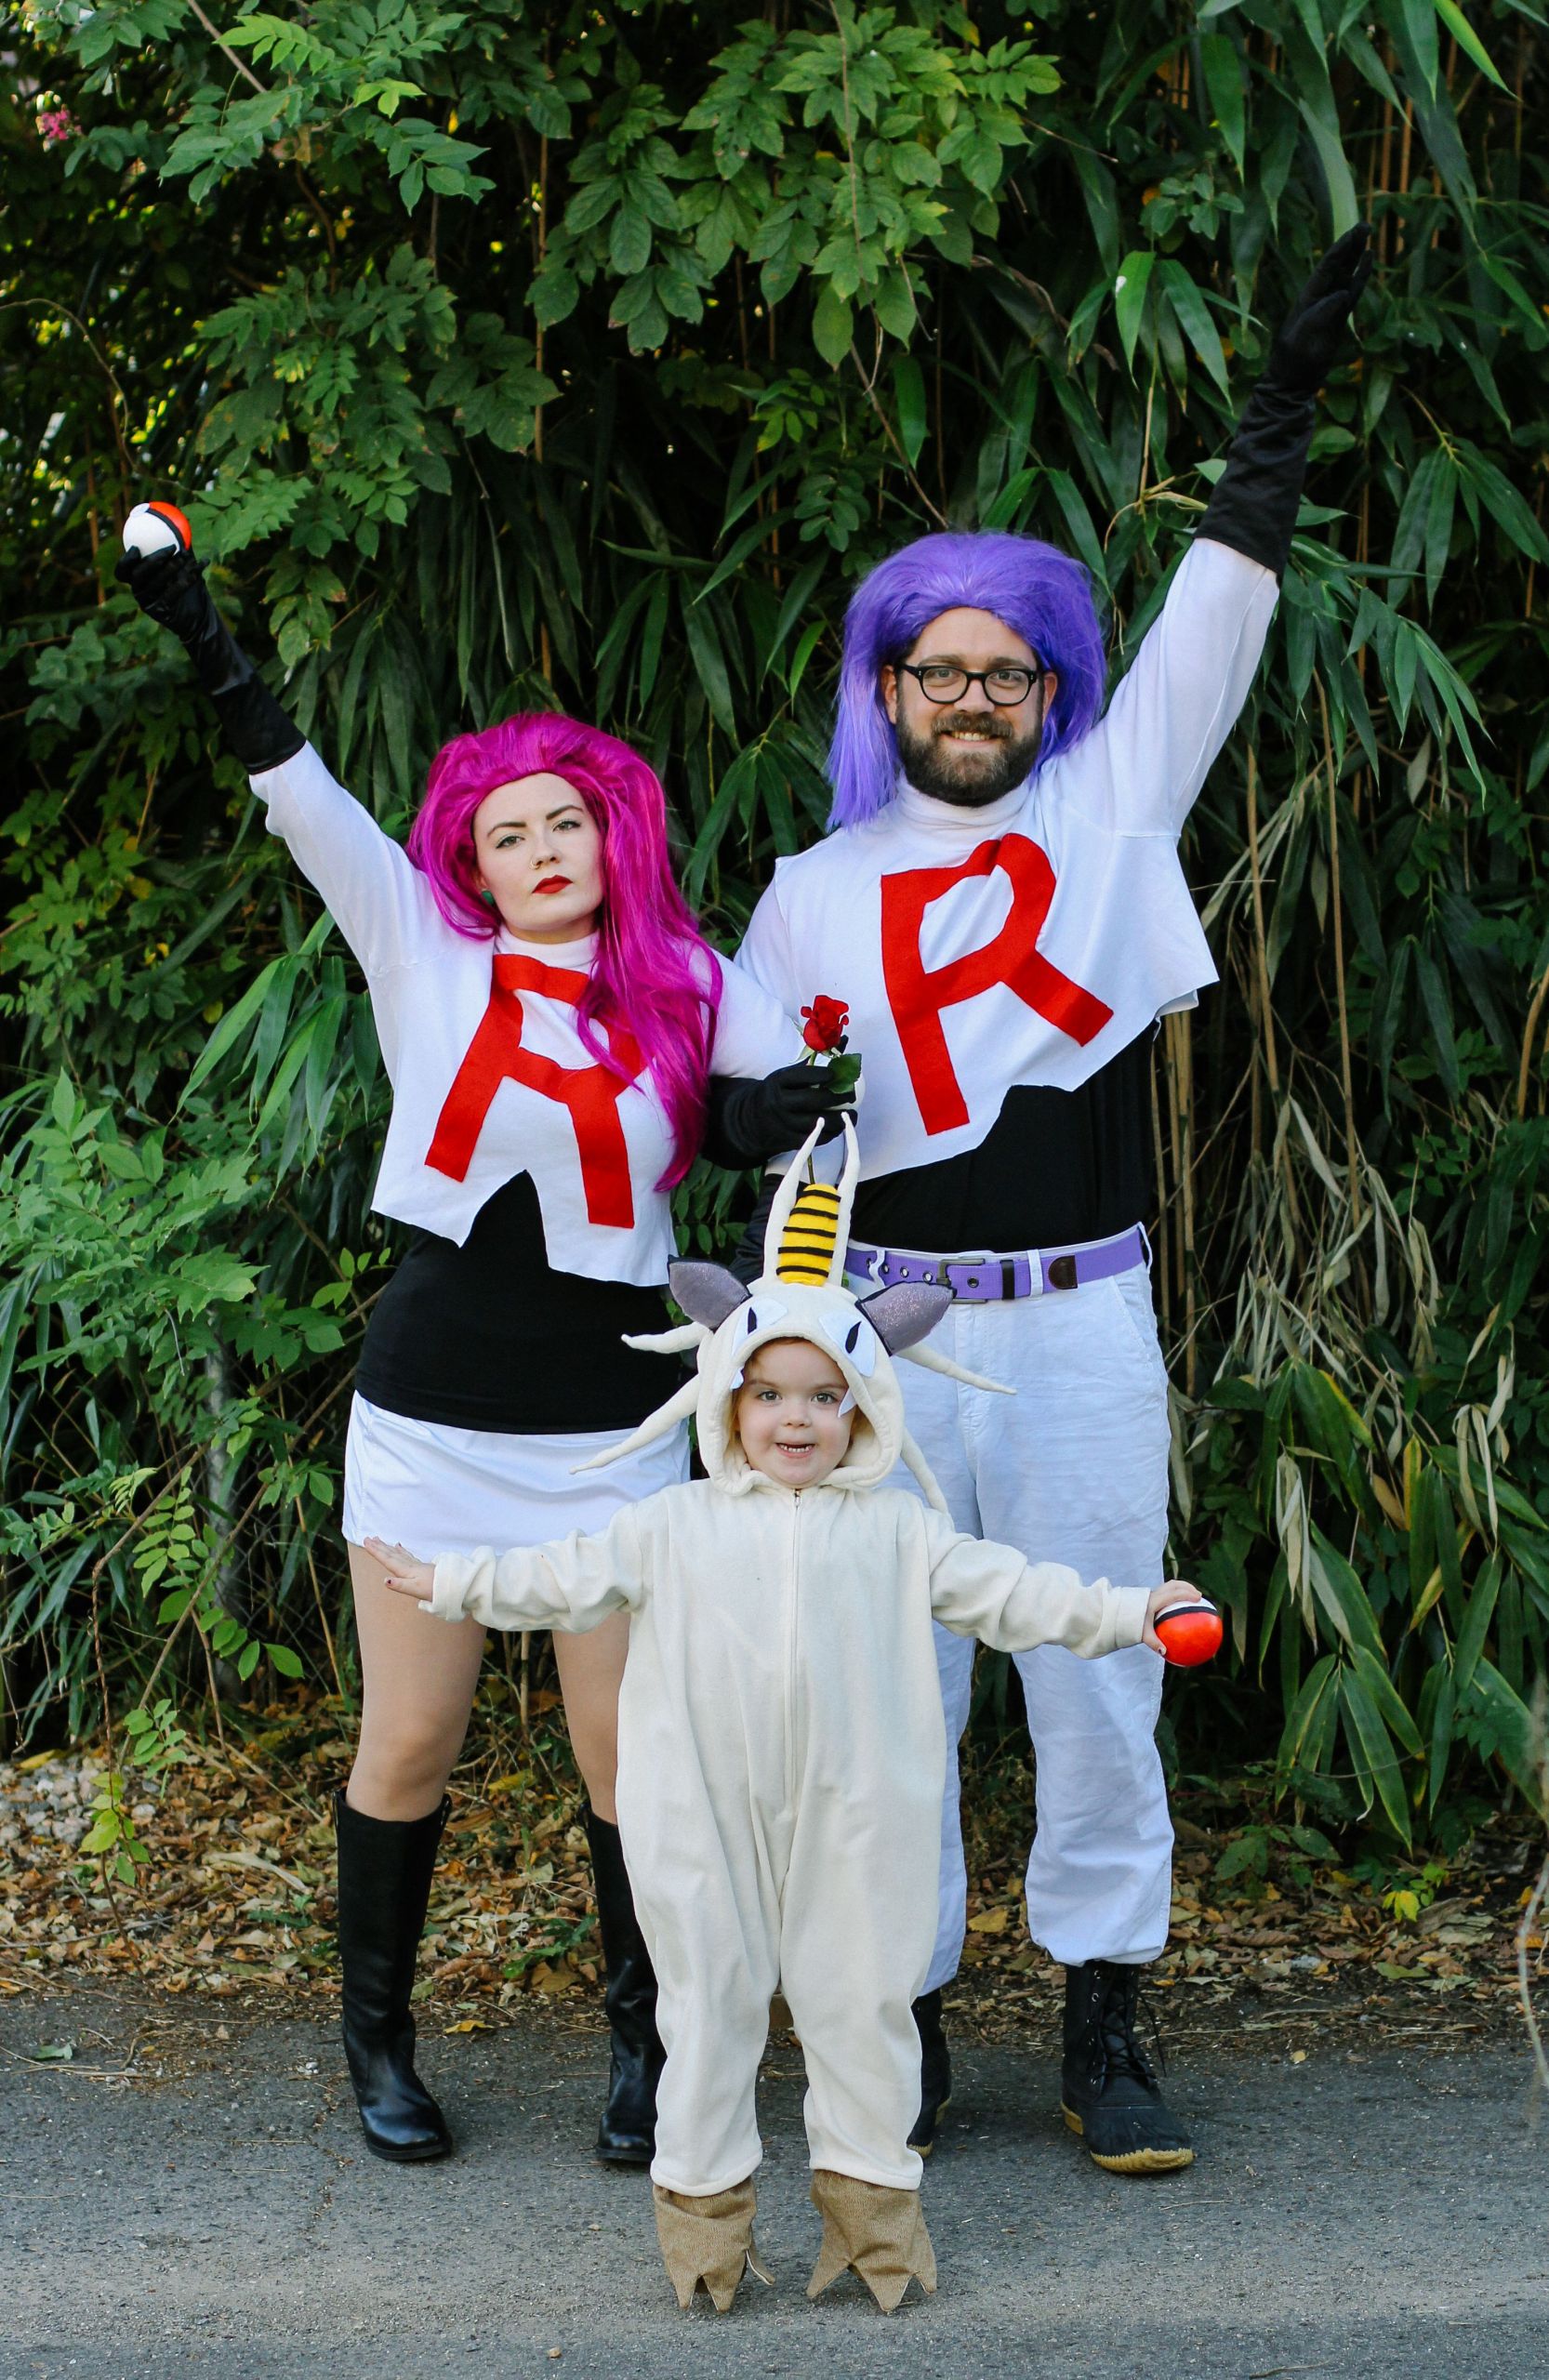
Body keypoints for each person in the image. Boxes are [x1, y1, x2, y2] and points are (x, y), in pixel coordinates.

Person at [730, 229, 1373, 2172]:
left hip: (1077, 1314)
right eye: (940, 667)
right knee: (889, 1687)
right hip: (890, 1332)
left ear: (1049, 686)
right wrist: (784, 1311)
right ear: (885, 683)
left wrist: (1271, 420)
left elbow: (1217, 620)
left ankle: (1107, 2013)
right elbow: (764, 1139)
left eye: (1009, 668)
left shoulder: (1104, 816)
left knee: (1092, 1658)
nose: (975, 694)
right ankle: (902, 2017)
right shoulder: (808, 887)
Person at [117, 544, 848, 2166]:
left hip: (612, 1417)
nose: (537, 849)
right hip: (435, 1413)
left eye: (562, 821)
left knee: (620, 1757)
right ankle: (377, 2045)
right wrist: (203, 633)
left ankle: (641, 2058)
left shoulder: (688, 978)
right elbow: (301, 798)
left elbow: (726, 1119)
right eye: (505, 832)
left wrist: (780, 1112)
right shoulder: (418, 951)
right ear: (473, 859)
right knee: (410, 1743)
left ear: (610, 834)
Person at [364, 1125, 1206, 2311]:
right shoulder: (671, 1526)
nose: (795, 1419)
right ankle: (702, 2235)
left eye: (825, 1395)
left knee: (862, 2004)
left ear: (867, 1410)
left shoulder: (906, 1535)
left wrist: (1134, 1609)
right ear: (724, 1396)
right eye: (767, 1393)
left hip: (860, 1816)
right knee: (703, 2008)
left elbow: (1024, 1593)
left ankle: (875, 2228)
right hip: (699, 1815)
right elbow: (558, 1575)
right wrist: (448, 1581)